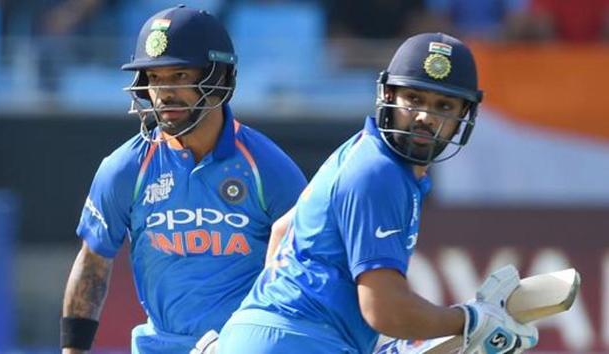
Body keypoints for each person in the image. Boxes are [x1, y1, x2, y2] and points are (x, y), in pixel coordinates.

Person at [215, 33, 539, 354]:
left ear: (462, 117)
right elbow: (385, 311)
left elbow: (283, 230)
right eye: (413, 99)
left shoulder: (362, 152)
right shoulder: (380, 172)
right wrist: (469, 320)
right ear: (387, 94)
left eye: (443, 105)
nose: (426, 117)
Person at [59, 5, 306, 353]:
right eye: (155, 78)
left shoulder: (268, 168)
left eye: (179, 76)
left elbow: (307, 267)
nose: (165, 93)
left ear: (218, 78)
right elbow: (94, 261)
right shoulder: (126, 168)